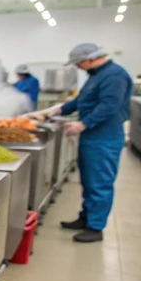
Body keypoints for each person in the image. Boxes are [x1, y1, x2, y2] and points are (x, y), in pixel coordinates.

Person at [26, 43, 132, 242]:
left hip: (104, 137)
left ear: (90, 59)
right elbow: (80, 101)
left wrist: (83, 123)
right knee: (89, 181)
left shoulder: (114, 75)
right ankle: (86, 218)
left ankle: (95, 227)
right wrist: (55, 110)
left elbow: (109, 106)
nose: (77, 67)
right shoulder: (96, 76)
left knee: (100, 183)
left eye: (78, 63)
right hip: (92, 137)